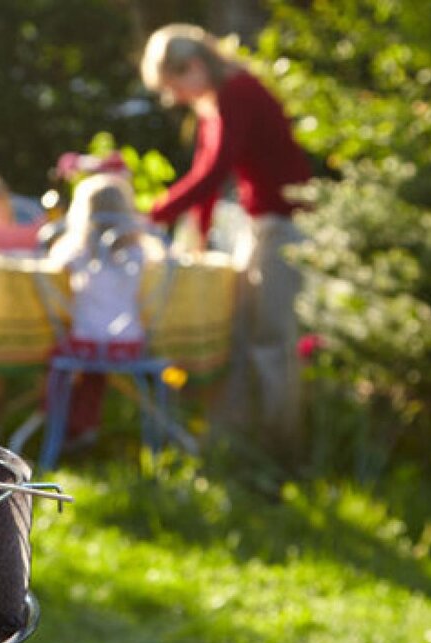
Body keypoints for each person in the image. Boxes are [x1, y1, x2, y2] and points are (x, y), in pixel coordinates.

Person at [140, 23, 312, 459]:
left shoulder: (238, 92)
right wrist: (196, 234)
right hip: (257, 224)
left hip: (284, 224)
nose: (175, 97)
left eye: (175, 85)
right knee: (236, 330)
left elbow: (214, 170)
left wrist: (154, 213)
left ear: (195, 66)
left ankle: (282, 450)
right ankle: (235, 439)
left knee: (271, 338)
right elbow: (210, 178)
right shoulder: (214, 101)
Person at [44, 172, 152, 443]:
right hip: (128, 343)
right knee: (94, 369)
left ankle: (56, 419)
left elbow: (50, 266)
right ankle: (84, 423)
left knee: (57, 357)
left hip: (86, 341)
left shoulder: (76, 250)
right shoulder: (139, 251)